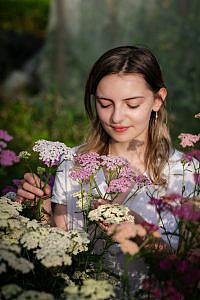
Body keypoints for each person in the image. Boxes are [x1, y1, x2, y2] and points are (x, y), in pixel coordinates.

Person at [16, 46, 196, 287]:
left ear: (158, 100)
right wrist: (39, 209)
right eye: (105, 103)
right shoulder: (72, 162)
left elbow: (187, 279)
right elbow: (63, 264)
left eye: (132, 104)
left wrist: (143, 234)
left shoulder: (185, 173)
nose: (116, 117)